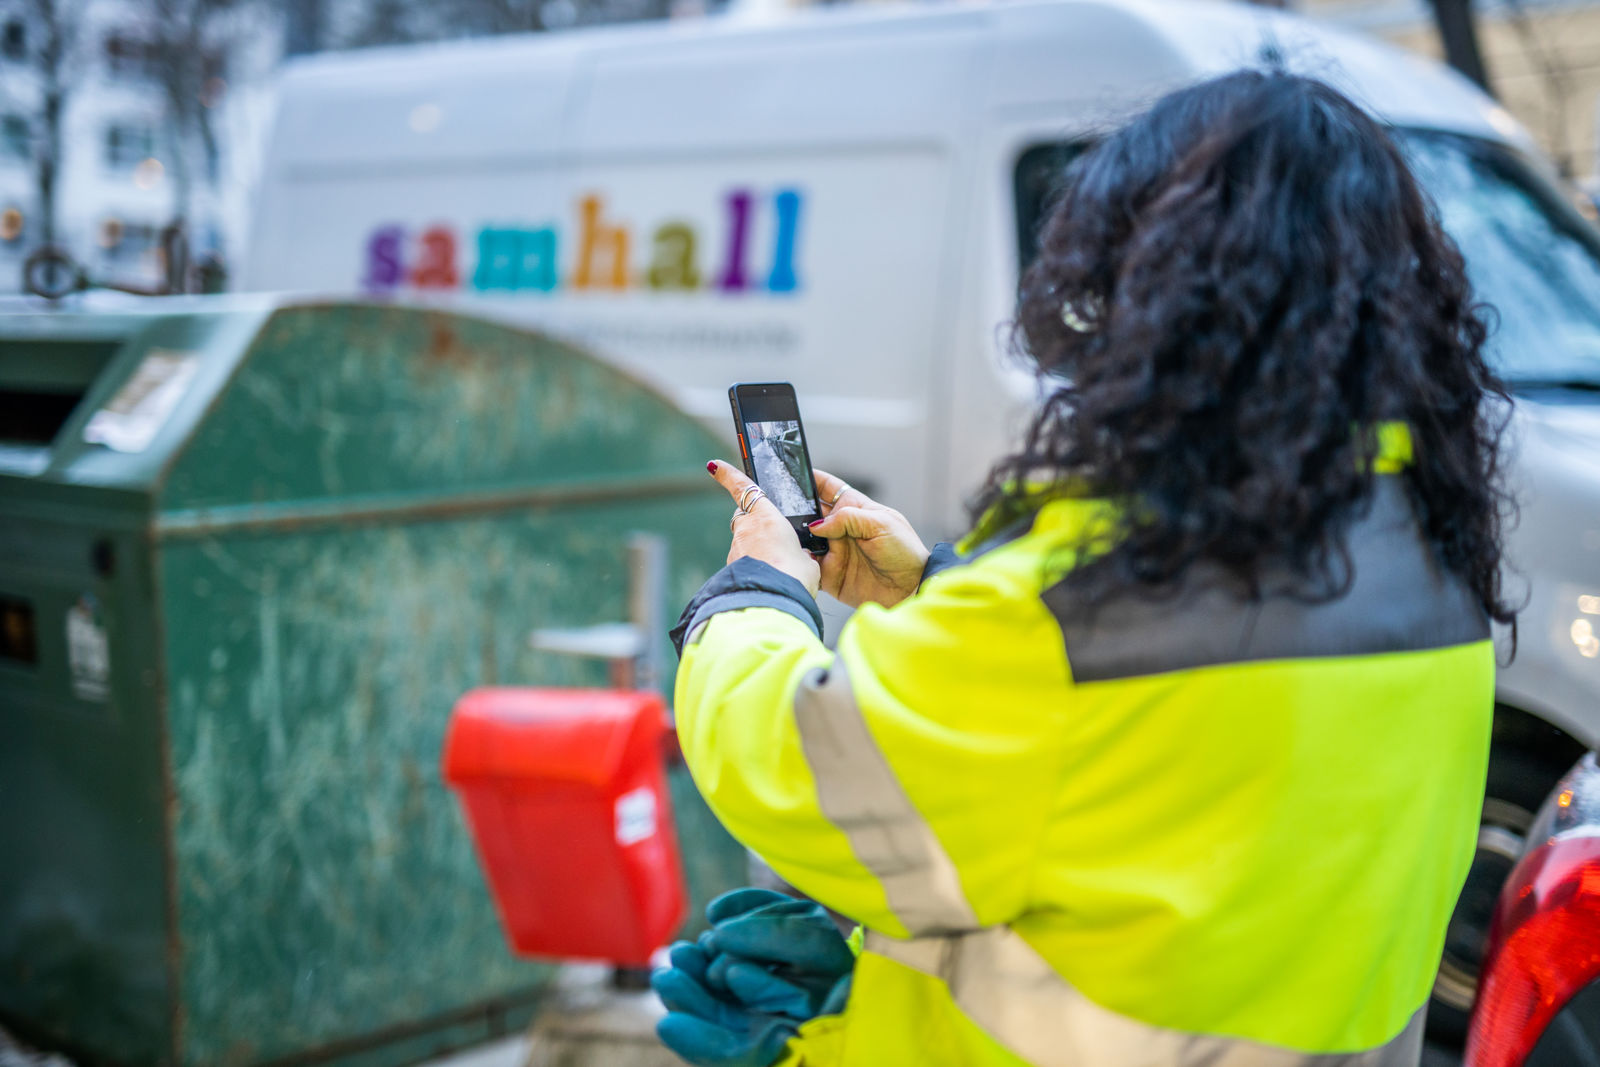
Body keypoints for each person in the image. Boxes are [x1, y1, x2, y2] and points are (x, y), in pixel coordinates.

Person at [656, 70, 1514, 1067]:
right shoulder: (1427, 563)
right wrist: (941, 587)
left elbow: (796, 767)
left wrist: (755, 593)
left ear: (1153, 301)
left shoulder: (1083, 612)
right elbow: (1167, 784)